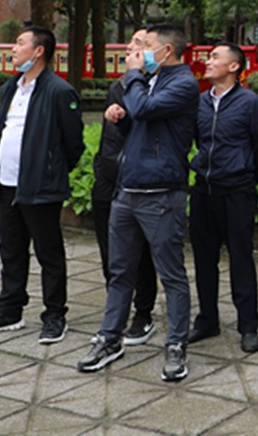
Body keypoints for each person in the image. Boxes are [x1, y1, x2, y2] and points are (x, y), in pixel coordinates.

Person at [77, 23, 200, 382]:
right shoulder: (150, 80)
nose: (137, 52)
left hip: (161, 194)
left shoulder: (183, 83)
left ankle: (176, 344)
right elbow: (141, 124)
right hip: (127, 191)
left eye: (145, 46)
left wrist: (133, 77)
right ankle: (110, 338)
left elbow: (146, 110)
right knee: (120, 272)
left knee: (171, 273)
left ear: (166, 51)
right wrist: (119, 118)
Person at [0, 27, 84, 345]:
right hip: (8, 183)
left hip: (40, 186)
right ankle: (9, 309)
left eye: (20, 43)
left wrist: (50, 170)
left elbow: (73, 143)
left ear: (38, 51)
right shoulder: (11, 87)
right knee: (11, 249)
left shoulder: (59, 91)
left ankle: (55, 314)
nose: (13, 49)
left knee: (49, 253)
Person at [188, 43, 258, 354]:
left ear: (234, 67)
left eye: (215, 57)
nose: (208, 62)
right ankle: (207, 319)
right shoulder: (200, 102)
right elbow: (199, 140)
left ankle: (248, 326)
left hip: (237, 192)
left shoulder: (249, 103)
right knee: (203, 259)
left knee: (241, 259)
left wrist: (245, 175)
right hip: (203, 190)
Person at [90, 28, 158, 347]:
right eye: (130, 43)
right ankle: (114, 314)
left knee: (141, 253)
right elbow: (109, 137)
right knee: (110, 254)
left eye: (139, 44)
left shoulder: (159, 88)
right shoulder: (116, 87)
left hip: (138, 183)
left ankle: (143, 313)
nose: (130, 47)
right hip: (108, 180)